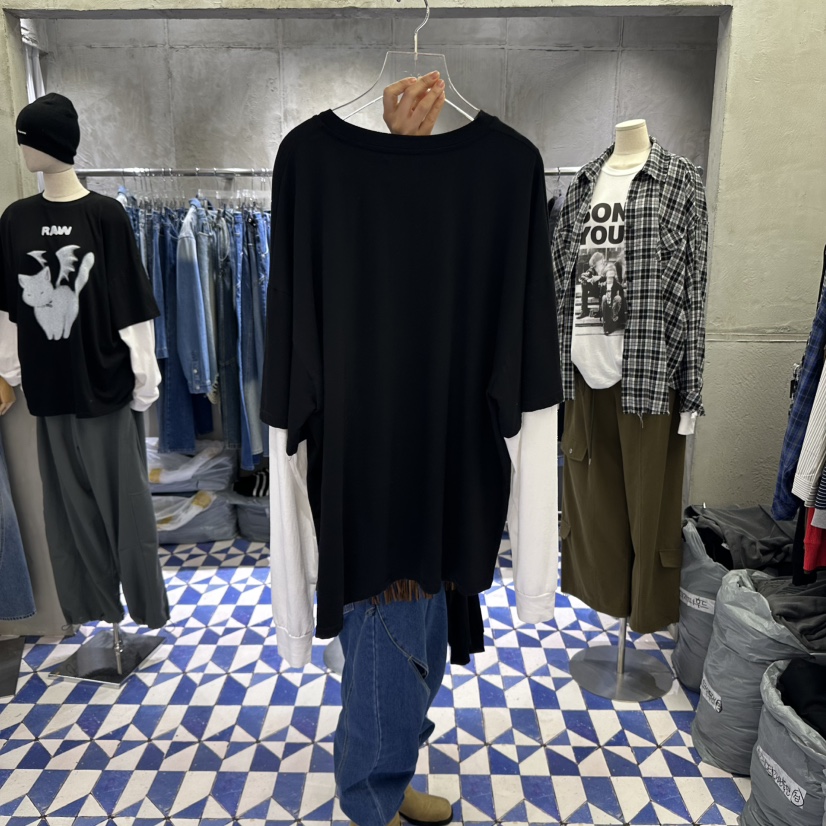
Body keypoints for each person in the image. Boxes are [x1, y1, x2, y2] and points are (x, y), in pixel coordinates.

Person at [600, 262, 627, 334]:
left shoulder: (618, 286)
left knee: (618, 298)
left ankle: (611, 322)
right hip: (606, 309)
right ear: (606, 275)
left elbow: (621, 301)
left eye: (611, 277)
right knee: (604, 297)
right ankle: (606, 326)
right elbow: (601, 300)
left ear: (614, 276)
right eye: (608, 277)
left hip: (615, 309)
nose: (609, 279)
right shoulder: (603, 286)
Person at [578, 251, 606, 318]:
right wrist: (587, 279)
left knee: (603, 286)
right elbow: (584, 275)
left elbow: (608, 276)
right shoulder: (593, 269)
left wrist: (599, 277)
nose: (599, 263)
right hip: (595, 291)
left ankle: (601, 311)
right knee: (584, 284)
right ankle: (584, 310)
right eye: (596, 262)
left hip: (604, 291)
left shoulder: (606, 267)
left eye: (600, 261)